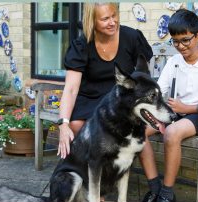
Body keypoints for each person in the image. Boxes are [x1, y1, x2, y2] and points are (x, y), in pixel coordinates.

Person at [139, 9, 198, 202]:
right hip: (177, 113)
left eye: (185, 40)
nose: (180, 46)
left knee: (171, 133)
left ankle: (167, 193)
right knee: (137, 129)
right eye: (175, 41)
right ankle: (154, 189)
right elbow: (159, 89)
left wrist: (188, 108)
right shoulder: (174, 62)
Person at [57, 1, 152, 178]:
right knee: (77, 124)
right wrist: (63, 123)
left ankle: (154, 187)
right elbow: (70, 89)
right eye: (105, 19)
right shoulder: (81, 45)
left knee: (135, 127)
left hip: (119, 97)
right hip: (90, 96)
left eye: (114, 15)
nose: (112, 22)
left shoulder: (131, 37)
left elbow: (143, 74)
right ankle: (94, 176)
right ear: (92, 21)